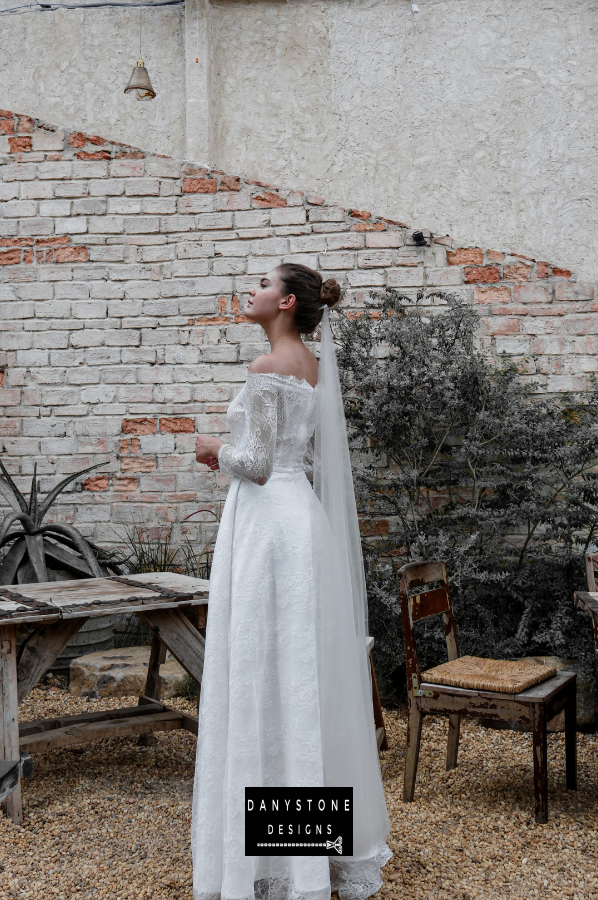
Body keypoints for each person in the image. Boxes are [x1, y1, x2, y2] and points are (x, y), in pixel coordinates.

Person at [192, 263, 392, 900]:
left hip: (266, 524)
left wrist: (207, 448)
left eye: (260, 284)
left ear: (285, 301)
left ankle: (266, 865)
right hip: (299, 517)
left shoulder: (265, 369)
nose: (248, 292)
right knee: (301, 675)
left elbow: (252, 463)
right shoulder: (312, 366)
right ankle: (309, 854)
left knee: (260, 672)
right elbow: (295, 456)